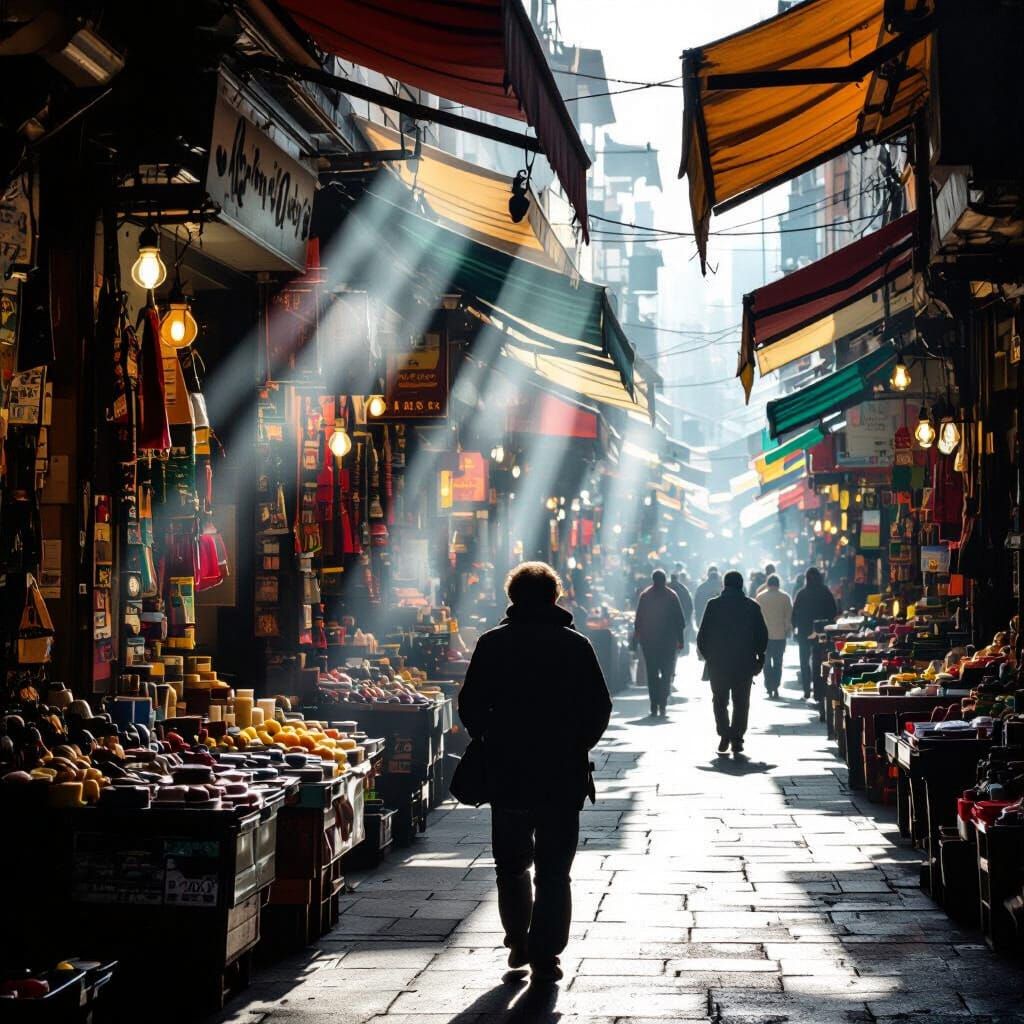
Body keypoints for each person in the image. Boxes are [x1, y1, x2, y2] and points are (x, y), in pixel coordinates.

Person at [459, 562, 611, 983]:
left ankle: (517, 942)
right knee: (554, 870)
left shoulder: (492, 644)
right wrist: (577, 744)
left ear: (512, 598)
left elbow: (470, 703)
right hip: (562, 774)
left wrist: (489, 736)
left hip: (508, 771)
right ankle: (545, 952)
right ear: (554, 597)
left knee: (511, 865)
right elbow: (600, 706)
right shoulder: (575, 645)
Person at [697, 569, 768, 754]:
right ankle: (737, 737)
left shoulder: (713, 605)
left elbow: (702, 635)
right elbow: (762, 635)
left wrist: (709, 656)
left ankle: (724, 734)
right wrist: (760, 656)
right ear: (741, 585)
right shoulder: (752, 606)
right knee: (741, 701)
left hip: (718, 663)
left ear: (724, 585)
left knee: (719, 700)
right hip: (744, 663)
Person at [632, 569, 686, 717]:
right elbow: (680, 621)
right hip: (668, 643)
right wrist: (680, 641)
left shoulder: (645, 595)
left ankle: (654, 704)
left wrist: (635, 641)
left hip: (649, 643)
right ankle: (662, 703)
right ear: (665, 580)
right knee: (666, 673)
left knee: (652, 674)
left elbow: (638, 621)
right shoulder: (671, 596)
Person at [792, 566, 838, 700]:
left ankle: (807, 690)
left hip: (804, 632)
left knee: (804, 661)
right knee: (819, 661)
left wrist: (795, 628)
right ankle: (818, 691)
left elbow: (794, 614)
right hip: (821, 632)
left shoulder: (801, 593)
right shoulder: (825, 592)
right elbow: (833, 611)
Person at [755, 575, 792, 698]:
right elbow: (788, 618)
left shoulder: (760, 597)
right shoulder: (785, 597)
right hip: (780, 635)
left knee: (766, 662)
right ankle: (775, 686)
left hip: (765, 636)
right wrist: (787, 630)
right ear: (778, 584)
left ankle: (768, 686)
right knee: (778, 662)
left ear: (767, 583)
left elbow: (757, 618)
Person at [668, 570, 694, 655]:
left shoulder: (666, 588)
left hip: (668, 618)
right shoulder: (683, 589)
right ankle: (682, 649)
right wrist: (688, 617)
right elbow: (689, 605)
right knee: (682, 633)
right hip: (682, 616)